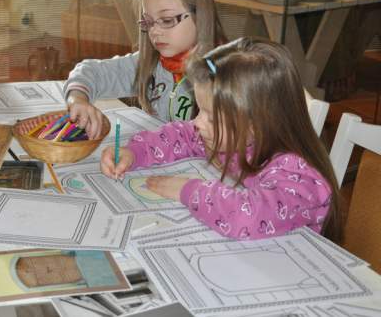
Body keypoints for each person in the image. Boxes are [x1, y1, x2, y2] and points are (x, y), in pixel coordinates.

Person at [100, 38, 342, 241]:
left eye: (211, 118)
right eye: (200, 110)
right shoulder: (234, 138)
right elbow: (182, 135)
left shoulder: (297, 175)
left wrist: (189, 190)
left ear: (257, 122)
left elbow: (247, 216)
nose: (197, 123)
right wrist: (135, 152)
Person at [64, 0, 226, 139]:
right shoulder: (151, 64)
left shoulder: (227, 76)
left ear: (200, 15)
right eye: (148, 22)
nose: (154, 31)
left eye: (166, 20)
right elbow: (91, 71)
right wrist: (77, 98)